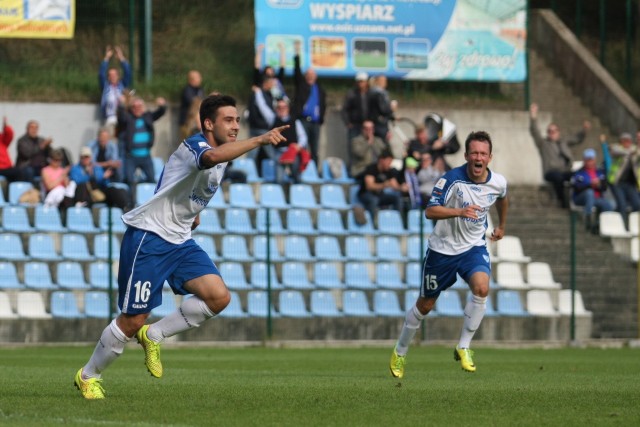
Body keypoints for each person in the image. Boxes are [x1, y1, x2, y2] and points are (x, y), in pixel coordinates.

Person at [74, 94, 289, 400]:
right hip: (149, 238)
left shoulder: (222, 156)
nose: (235, 126)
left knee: (218, 297)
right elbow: (208, 160)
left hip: (180, 240)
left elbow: (175, 182)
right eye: (228, 120)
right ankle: (88, 376)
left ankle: (155, 334)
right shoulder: (195, 146)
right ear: (208, 123)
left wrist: (193, 213)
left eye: (238, 120)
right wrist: (260, 139)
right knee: (133, 319)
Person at [390, 130, 508, 378]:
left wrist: (501, 226)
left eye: (483, 153)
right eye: (474, 152)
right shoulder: (450, 180)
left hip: (473, 247)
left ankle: (464, 346)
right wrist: (459, 212)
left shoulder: (498, 182)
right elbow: (430, 211)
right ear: (466, 155)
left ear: (490, 157)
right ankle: (400, 352)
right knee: (425, 305)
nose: (478, 157)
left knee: (482, 288)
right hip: (442, 250)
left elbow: (503, 199)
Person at [529, 103, 590, 208]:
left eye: (554, 131)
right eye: (549, 131)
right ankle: (563, 203)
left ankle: (580, 198)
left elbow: (577, 139)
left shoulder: (563, 142)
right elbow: (535, 132)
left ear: (558, 132)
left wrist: (584, 130)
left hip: (565, 170)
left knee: (581, 174)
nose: (552, 133)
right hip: (551, 172)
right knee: (559, 177)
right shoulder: (544, 144)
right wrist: (533, 117)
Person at [117, 95, 167, 185]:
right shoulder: (129, 118)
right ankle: (132, 199)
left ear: (143, 107)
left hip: (145, 156)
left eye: (139, 106)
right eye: (134, 106)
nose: (137, 108)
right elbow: (121, 117)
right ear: (131, 108)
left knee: (151, 179)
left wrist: (162, 106)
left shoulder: (147, 117)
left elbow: (160, 113)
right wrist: (121, 104)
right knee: (129, 180)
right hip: (131, 157)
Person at [292, 40, 326, 162]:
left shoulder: (319, 89)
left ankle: (315, 172)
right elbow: (296, 72)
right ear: (306, 76)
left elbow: (323, 104)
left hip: (315, 122)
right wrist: (297, 54)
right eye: (308, 73)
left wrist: (321, 118)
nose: (311, 75)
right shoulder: (302, 86)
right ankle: (303, 171)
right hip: (303, 121)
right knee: (303, 146)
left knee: (315, 149)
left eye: (313, 73)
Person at [69, 147, 131, 211]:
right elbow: (76, 181)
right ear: (80, 158)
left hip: (99, 192)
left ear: (90, 157)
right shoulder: (75, 168)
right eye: (83, 157)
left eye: (87, 157)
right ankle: (84, 213)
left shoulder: (96, 167)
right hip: (86, 193)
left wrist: (104, 178)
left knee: (115, 190)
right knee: (82, 187)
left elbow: (105, 183)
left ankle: (126, 208)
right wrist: (88, 175)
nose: (85, 159)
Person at [571, 148, 614, 233]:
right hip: (580, 198)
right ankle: (588, 219)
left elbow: (604, 188)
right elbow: (576, 188)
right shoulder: (578, 173)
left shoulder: (600, 173)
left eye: (591, 159)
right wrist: (590, 184)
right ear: (584, 160)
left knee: (608, 204)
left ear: (594, 160)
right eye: (587, 159)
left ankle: (597, 225)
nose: (589, 162)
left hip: (596, 199)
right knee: (589, 193)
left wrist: (598, 185)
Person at [356, 149, 406, 219]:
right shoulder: (371, 168)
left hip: (379, 195)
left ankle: (398, 220)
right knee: (374, 200)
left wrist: (402, 188)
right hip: (365, 194)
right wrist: (384, 185)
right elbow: (369, 186)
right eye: (388, 162)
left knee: (397, 198)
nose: (390, 164)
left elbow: (394, 185)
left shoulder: (388, 171)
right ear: (382, 160)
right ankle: (374, 223)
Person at [606, 132, 640, 223]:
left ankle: (633, 224)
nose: (627, 142)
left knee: (637, 204)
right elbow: (614, 151)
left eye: (628, 140)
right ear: (621, 141)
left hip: (630, 183)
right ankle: (622, 226)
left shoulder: (634, 149)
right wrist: (631, 152)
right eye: (624, 140)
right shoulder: (616, 148)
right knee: (622, 204)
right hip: (617, 182)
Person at [98, 45, 132, 135]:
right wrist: (106, 58)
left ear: (118, 76)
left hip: (123, 117)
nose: (112, 76)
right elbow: (101, 74)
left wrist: (121, 58)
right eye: (110, 75)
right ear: (108, 77)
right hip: (110, 118)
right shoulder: (105, 86)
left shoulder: (122, 85)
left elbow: (128, 72)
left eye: (114, 74)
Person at [341, 71, 370, 166]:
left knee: (367, 148)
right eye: (359, 81)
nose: (361, 84)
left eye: (362, 81)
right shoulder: (352, 94)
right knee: (353, 148)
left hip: (367, 126)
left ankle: (365, 169)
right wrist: (348, 123)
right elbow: (345, 109)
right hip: (355, 125)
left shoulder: (370, 94)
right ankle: (352, 169)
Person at [367, 74, 396, 142]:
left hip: (379, 123)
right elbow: (383, 109)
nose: (385, 82)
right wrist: (391, 109)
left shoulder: (375, 92)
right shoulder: (379, 93)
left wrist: (392, 116)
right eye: (383, 81)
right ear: (377, 81)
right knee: (382, 146)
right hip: (379, 124)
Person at [0, 116, 27, 183]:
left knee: (19, 172)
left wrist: (6, 127)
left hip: (6, 168)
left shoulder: (2, 140)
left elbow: (9, 134)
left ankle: (17, 192)